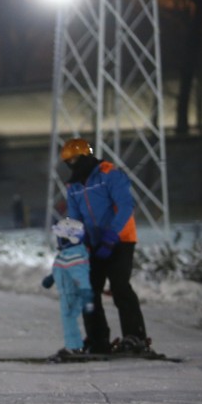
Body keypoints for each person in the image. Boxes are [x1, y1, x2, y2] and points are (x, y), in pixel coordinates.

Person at [60, 137, 150, 354]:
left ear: (85, 156)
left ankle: (135, 338)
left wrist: (112, 236)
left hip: (121, 240)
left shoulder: (110, 174)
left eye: (74, 159)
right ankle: (97, 340)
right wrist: (71, 240)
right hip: (95, 244)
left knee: (120, 287)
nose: (71, 165)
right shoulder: (74, 187)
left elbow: (126, 206)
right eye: (68, 161)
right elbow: (74, 218)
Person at [41, 217, 95, 362]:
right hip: (67, 292)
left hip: (71, 294)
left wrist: (87, 295)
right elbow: (61, 268)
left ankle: (74, 348)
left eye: (60, 237)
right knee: (68, 319)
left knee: (69, 319)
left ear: (70, 239)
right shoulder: (67, 254)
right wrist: (50, 279)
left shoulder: (75, 255)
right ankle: (74, 346)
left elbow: (81, 277)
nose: (57, 240)